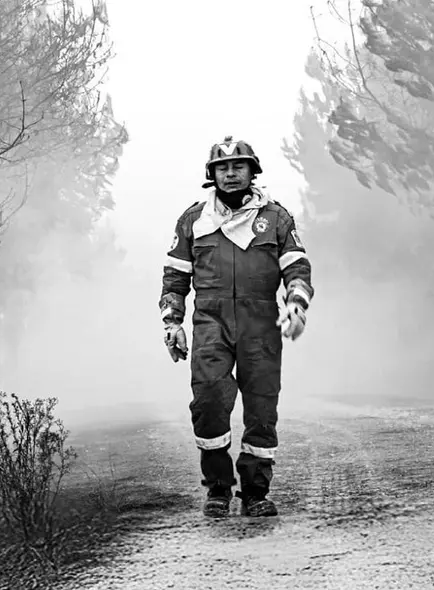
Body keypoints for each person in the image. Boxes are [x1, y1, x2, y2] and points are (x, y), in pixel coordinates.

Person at [158, 136, 315, 518]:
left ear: (252, 171)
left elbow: (297, 268)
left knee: (261, 408)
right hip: (210, 323)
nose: (230, 174)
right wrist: (172, 322)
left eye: (238, 166)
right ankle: (218, 487)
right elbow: (175, 279)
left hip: (260, 323)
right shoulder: (193, 220)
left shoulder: (275, 218)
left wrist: (296, 303)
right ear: (211, 174)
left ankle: (256, 493)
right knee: (209, 400)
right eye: (222, 168)